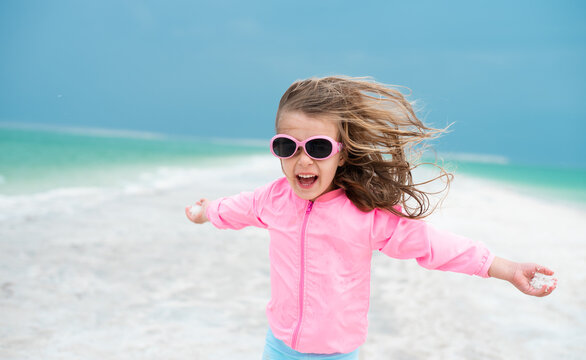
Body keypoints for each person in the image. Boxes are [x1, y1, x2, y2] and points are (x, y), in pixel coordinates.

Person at [185, 76, 557, 359]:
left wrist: (506, 269)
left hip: (338, 353)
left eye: (318, 147)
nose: (302, 160)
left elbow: (433, 246)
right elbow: (234, 209)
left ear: (342, 154)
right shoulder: (273, 199)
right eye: (287, 146)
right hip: (279, 344)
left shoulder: (365, 215)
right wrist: (204, 212)